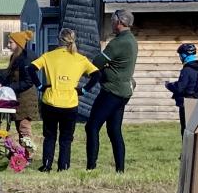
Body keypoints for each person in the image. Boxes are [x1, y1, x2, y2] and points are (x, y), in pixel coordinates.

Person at [26, 27, 98, 172]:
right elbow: (97, 75)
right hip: (70, 103)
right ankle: (63, 166)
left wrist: (40, 86)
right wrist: (83, 90)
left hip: (50, 101)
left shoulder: (48, 56)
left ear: (59, 39)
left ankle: (46, 165)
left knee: (50, 135)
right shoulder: (80, 59)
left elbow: (30, 69)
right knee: (66, 138)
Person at [85, 9, 137, 172]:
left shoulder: (118, 42)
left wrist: (105, 65)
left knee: (92, 127)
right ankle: (120, 169)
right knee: (114, 130)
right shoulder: (131, 40)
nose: (111, 24)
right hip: (124, 92)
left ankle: (91, 167)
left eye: (113, 21)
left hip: (111, 91)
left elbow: (97, 62)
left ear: (119, 22)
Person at [0, 30, 38, 142]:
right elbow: (11, 76)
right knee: (19, 127)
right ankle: (20, 154)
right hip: (17, 96)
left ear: (18, 43)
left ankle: (27, 154)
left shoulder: (26, 58)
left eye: (11, 42)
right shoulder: (15, 57)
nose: (8, 45)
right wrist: (2, 84)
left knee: (24, 128)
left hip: (25, 98)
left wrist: (9, 87)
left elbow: (28, 81)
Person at [165, 43, 198, 135]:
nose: (180, 57)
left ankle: (186, 149)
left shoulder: (186, 70)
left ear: (184, 55)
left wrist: (169, 85)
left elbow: (180, 88)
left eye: (180, 55)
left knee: (186, 131)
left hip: (187, 104)